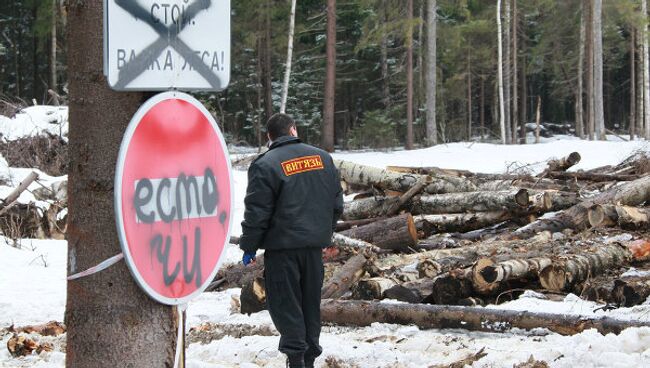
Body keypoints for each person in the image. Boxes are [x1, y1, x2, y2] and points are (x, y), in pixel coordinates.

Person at [239, 113, 343, 368]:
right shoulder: (323, 158)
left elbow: (257, 212)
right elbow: (336, 203)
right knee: (310, 304)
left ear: (269, 137)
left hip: (282, 251)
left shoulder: (265, 164)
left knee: (287, 305)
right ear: (294, 130)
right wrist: (325, 233)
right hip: (313, 249)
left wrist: (249, 246)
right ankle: (309, 359)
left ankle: (296, 360)